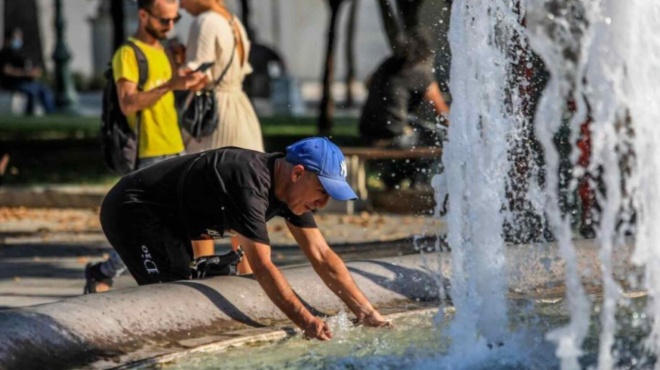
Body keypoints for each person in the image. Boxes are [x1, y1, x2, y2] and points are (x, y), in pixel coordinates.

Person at [98, 137, 391, 340]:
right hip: (133, 210)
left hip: (172, 222)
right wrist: (307, 322)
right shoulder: (250, 185)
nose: (323, 204)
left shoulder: (292, 193)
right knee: (169, 297)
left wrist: (368, 313)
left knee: (187, 294)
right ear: (298, 173)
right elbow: (263, 266)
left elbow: (322, 256)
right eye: (323, 192)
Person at [84, 0, 207, 294]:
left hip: (175, 148)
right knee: (144, 230)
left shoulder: (163, 51)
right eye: (164, 20)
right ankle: (104, 271)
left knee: (180, 224)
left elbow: (169, 93)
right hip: (148, 154)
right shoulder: (128, 54)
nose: (170, 26)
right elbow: (128, 103)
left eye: (174, 19)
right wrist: (170, 85)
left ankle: (178, 281)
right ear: (143, 15)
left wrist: (188, 81)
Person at [180, 0, 265, 273]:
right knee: (244, 196)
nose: (181, 5)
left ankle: (204, 273)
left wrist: (174, 66)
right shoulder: (233, 21)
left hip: (216, 116)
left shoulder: (205, 22)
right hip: (240, 109)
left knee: (202, 194)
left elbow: (198, 77)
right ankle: (249, 273)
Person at [359, 28, 450, 189]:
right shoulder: (420, 73)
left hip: (366, 131)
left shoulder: (388, 63)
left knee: (415, 126)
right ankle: (417, 184)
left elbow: (367, 84)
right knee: (436, 138)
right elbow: (442, 112)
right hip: (392, 136)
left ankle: (393, 180)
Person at [0, 27, 55, 115]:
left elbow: (31, 67)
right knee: (31, 92)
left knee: (45, 91)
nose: (18, 40)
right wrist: (26, 74)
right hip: (13, 83)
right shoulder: (4, 54)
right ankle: (29, 115)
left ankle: (51, 114)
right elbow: (7, 71)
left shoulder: (21, 53)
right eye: (16, 38)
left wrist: (35, 72)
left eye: (19, 38)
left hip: (28, 82)